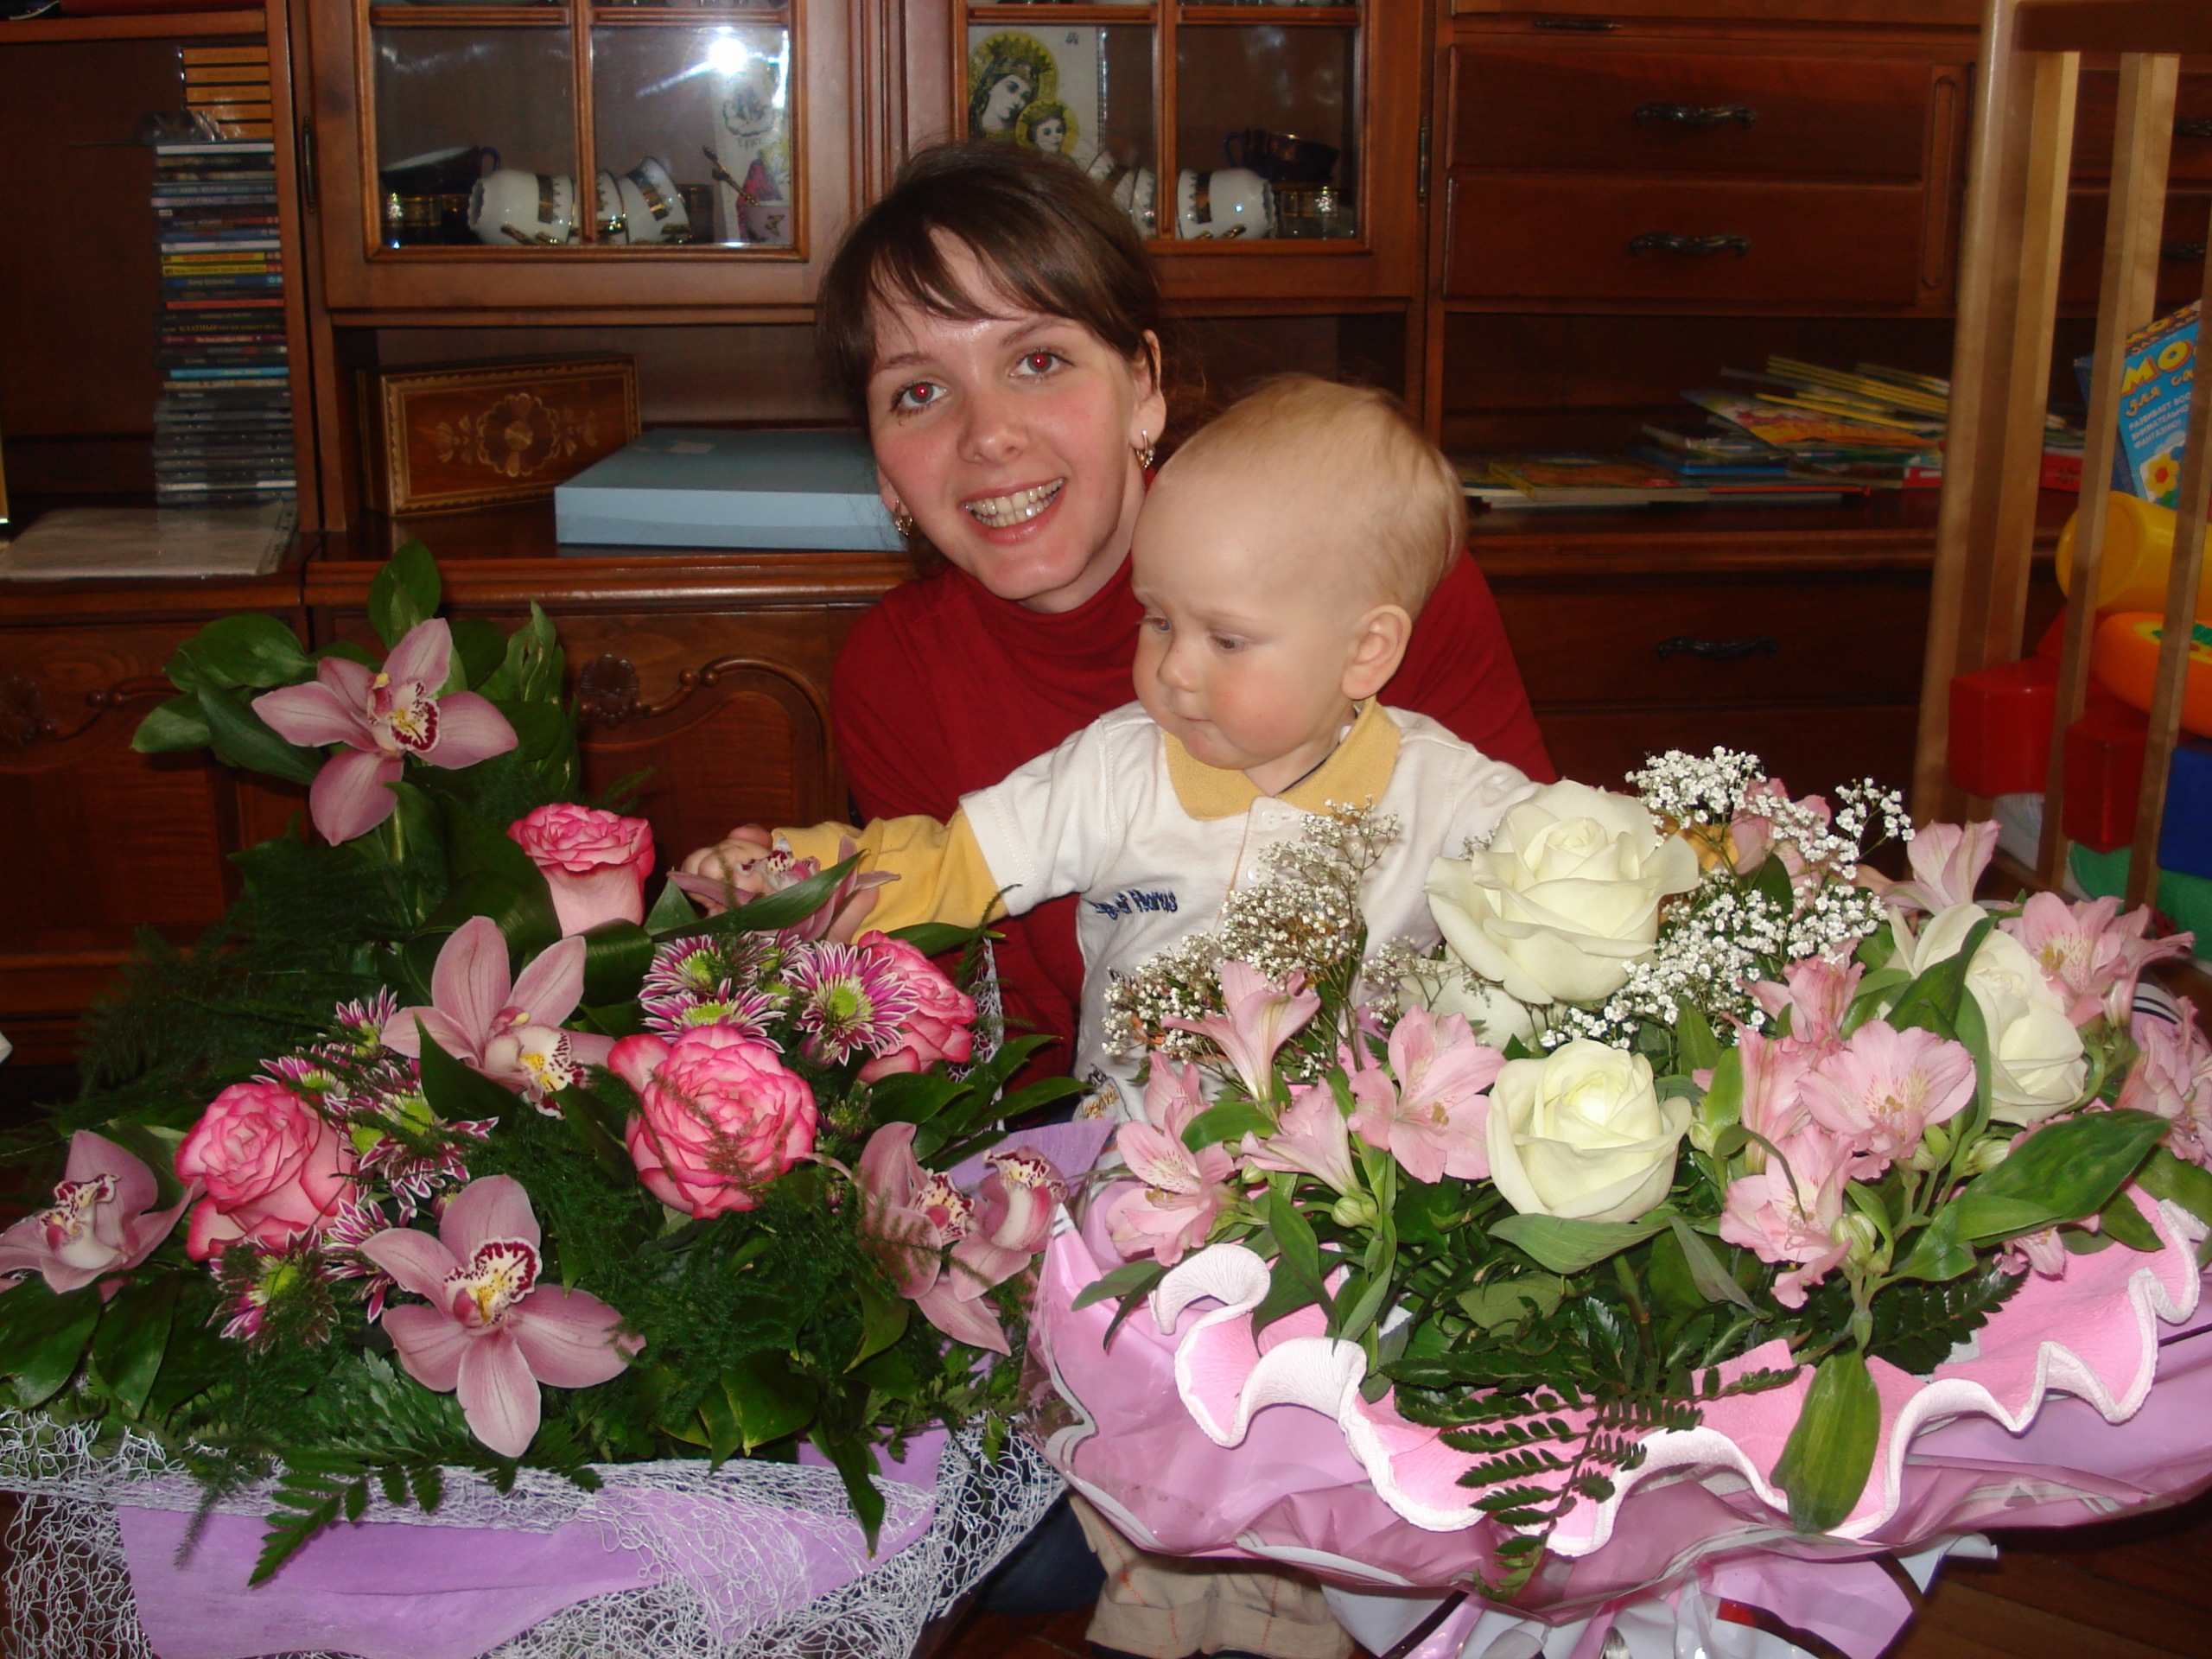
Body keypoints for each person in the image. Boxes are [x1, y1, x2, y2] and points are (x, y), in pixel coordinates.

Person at [800, 140, 1551, 1112]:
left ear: (1143, 384)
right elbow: (987, 1046)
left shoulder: (1369, 574)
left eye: (1037, 360)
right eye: (919, 391)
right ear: (884, 470)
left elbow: (1536, 934)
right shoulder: (896, 675)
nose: (987, 436)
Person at [687, 377, 1535, 1126]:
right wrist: (799, 878)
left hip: (1355, 1185)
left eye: (1227, 640)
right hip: (1127, 1166)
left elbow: (1582, 875)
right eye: (1157, 619)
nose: (1173, 669)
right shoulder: (1113, 768)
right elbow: (954, 864)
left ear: (1366, 651)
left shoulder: (1446, 791)